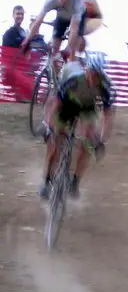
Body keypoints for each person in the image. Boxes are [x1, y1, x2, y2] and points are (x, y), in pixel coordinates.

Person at [39, 50, 114, 201]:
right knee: (55, 142)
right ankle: (47, 181)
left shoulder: (105, 86)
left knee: (89, 143)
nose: (94, 78)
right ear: (87, 69)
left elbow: (108, 115)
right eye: (92, 73)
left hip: (87, 107)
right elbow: (55, 104)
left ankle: (75, 182)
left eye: (98, 75)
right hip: (66, 104)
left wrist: (100, 140)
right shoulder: (73, 79)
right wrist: (50, 126)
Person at [22, 0, 91, 63]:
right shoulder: (51, 1)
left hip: (78, 18)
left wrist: (67, 49)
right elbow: (38, 22)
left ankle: (72, 68)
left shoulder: (77, 4)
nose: (64, 0)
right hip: (62, 17)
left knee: (72, 50)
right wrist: (27, 40)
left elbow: (74, 29)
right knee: (55, 48)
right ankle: (55, 74)